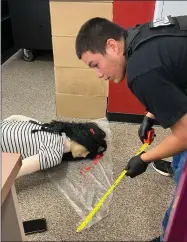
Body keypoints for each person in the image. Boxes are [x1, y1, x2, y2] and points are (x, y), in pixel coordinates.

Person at [75, 16, 187, 241]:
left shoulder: (140, 72)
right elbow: (174, 71)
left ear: (112, 46)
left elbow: (185, 134)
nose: (98, 74)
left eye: (95, 64)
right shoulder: (139, 34)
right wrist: (150, 114)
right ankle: (178, 167)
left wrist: (145, 158)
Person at [1, 115, 107, 178]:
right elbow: (16, 170)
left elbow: (14, 117)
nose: (85, 155)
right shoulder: (54, 154)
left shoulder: (45, 126)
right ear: (81, 140)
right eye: (88, 149)